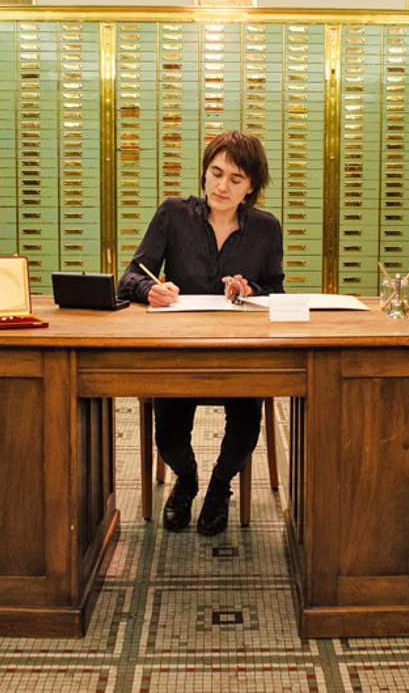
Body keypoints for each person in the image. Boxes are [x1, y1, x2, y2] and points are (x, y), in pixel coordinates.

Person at [117, 130, 284, 535]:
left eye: (236, 179)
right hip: (179, 346)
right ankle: (187, 479)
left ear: (251, 188)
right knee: (169, 430)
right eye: (216, 173)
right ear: (205, 173)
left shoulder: (266, 229)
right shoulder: (173, 214)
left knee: (246, 420)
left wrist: (249, 290)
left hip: (240, 350)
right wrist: (151, 290)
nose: (222, 186)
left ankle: (219, 486)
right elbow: (129, 278)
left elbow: (276, 291)